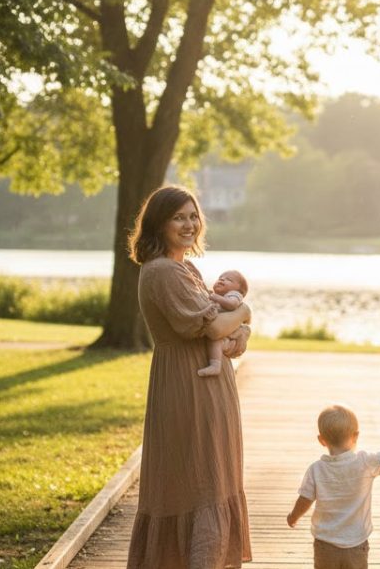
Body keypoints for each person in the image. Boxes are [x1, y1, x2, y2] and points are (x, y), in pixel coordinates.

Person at [125, 185, 253, 569]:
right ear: (158, 224)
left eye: (193, 215)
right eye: (178, 217)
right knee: (198, 480)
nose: (189, 223)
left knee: (215, 475)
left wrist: (236, 329)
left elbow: (229, 337)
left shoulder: (187, 269)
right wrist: (245, 314)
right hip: (187, 385)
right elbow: (214, 329)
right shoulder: (163, 271)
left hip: (210, 386)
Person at [286, 404, 380, 569]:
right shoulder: (364, 462)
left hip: (325, 544)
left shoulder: (316, 469)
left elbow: (305, 499)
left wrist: (294, 516)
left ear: (321, 440)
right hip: (356, 544)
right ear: (355, 436)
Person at [199, 270, 249, 377]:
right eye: (220, 278)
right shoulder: (218, 296)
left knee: (215, 341)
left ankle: (215, 365)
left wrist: (216, 297)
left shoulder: (234, 295)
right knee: (214, 340)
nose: (222, 279)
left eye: (229, 280)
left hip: (230, 331)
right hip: (224, 327)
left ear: (239, 290)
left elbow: (232, 305)